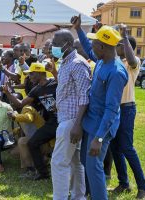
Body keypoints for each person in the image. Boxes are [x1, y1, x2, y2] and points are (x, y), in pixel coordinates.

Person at [71, 15, 128, 199]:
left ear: (103, 47)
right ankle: (93, 194)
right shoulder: (103, 59)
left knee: (94, 167)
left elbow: (111, 109)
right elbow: (87, 49)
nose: (92, 46)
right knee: (85, 161)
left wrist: (99, 139)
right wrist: (78, 29)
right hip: (91, 121)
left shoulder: (116, 72)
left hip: (101, 127)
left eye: (95, 43)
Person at [50, 29, 91, 200]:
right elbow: (68, 90)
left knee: (59, 162)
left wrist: (77, 125)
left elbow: (84, 96)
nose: (53, 47)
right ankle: (78, 197)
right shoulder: (65, 62)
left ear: (67, 43)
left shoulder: (77, 63)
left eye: (56, 43)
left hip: (72, 120)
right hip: (66, 117)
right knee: (75, 162)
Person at [2, 63, 58, 180]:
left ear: (40, 73)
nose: (29, 77)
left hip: (66, 119)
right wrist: (8, 93)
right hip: (53, 122)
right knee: (32, 143)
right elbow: (20, 103)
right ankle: (43, 173)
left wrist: (54, 71)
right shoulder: (36, 89)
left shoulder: (54, 82)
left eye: (31, 74)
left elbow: (64, 84)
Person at [110, 24, 145, 199]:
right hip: (114, 110)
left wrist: (124, 37)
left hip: (126, 109)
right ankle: (124, 183)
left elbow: (132, 61)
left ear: (126, 46)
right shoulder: (116, 62)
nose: (116, 47)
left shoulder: (134, 62)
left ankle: (143, 186)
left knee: (126, 147)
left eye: (119, 44)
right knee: (115, 147)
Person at [7, 93, 54, 178]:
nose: (12, 103)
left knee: (22, 142)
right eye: (11, 102)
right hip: (37, 142)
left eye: (14, 101)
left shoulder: (27, 108)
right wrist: (14, 132)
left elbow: (28, 118)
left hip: (45, 143)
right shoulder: (21, 110)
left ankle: (30, 169)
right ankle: (41, 161)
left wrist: (15, 116)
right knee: (13, 152)